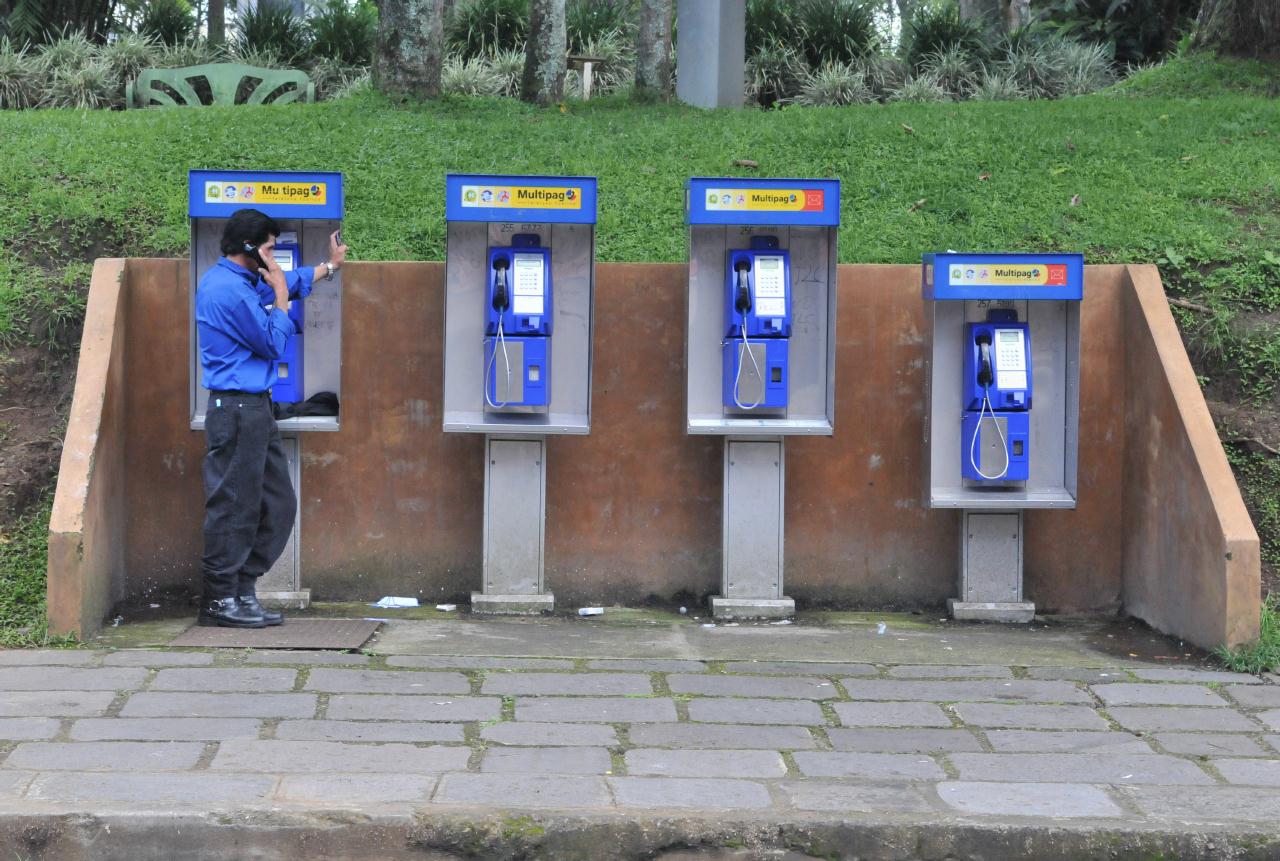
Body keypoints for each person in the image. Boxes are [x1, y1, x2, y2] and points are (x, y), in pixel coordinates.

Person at [195, 208, 348, 628]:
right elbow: (272, 343)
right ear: (250, 250)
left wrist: (327, 268)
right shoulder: (227, 290)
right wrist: (280, 293)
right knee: (235, 507)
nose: (274, 257)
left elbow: (289, 281)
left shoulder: (242, 283)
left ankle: (242, 587)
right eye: (269, 249)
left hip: (255, 408)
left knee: (277, 504)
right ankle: (219, 599)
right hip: (237, 409)